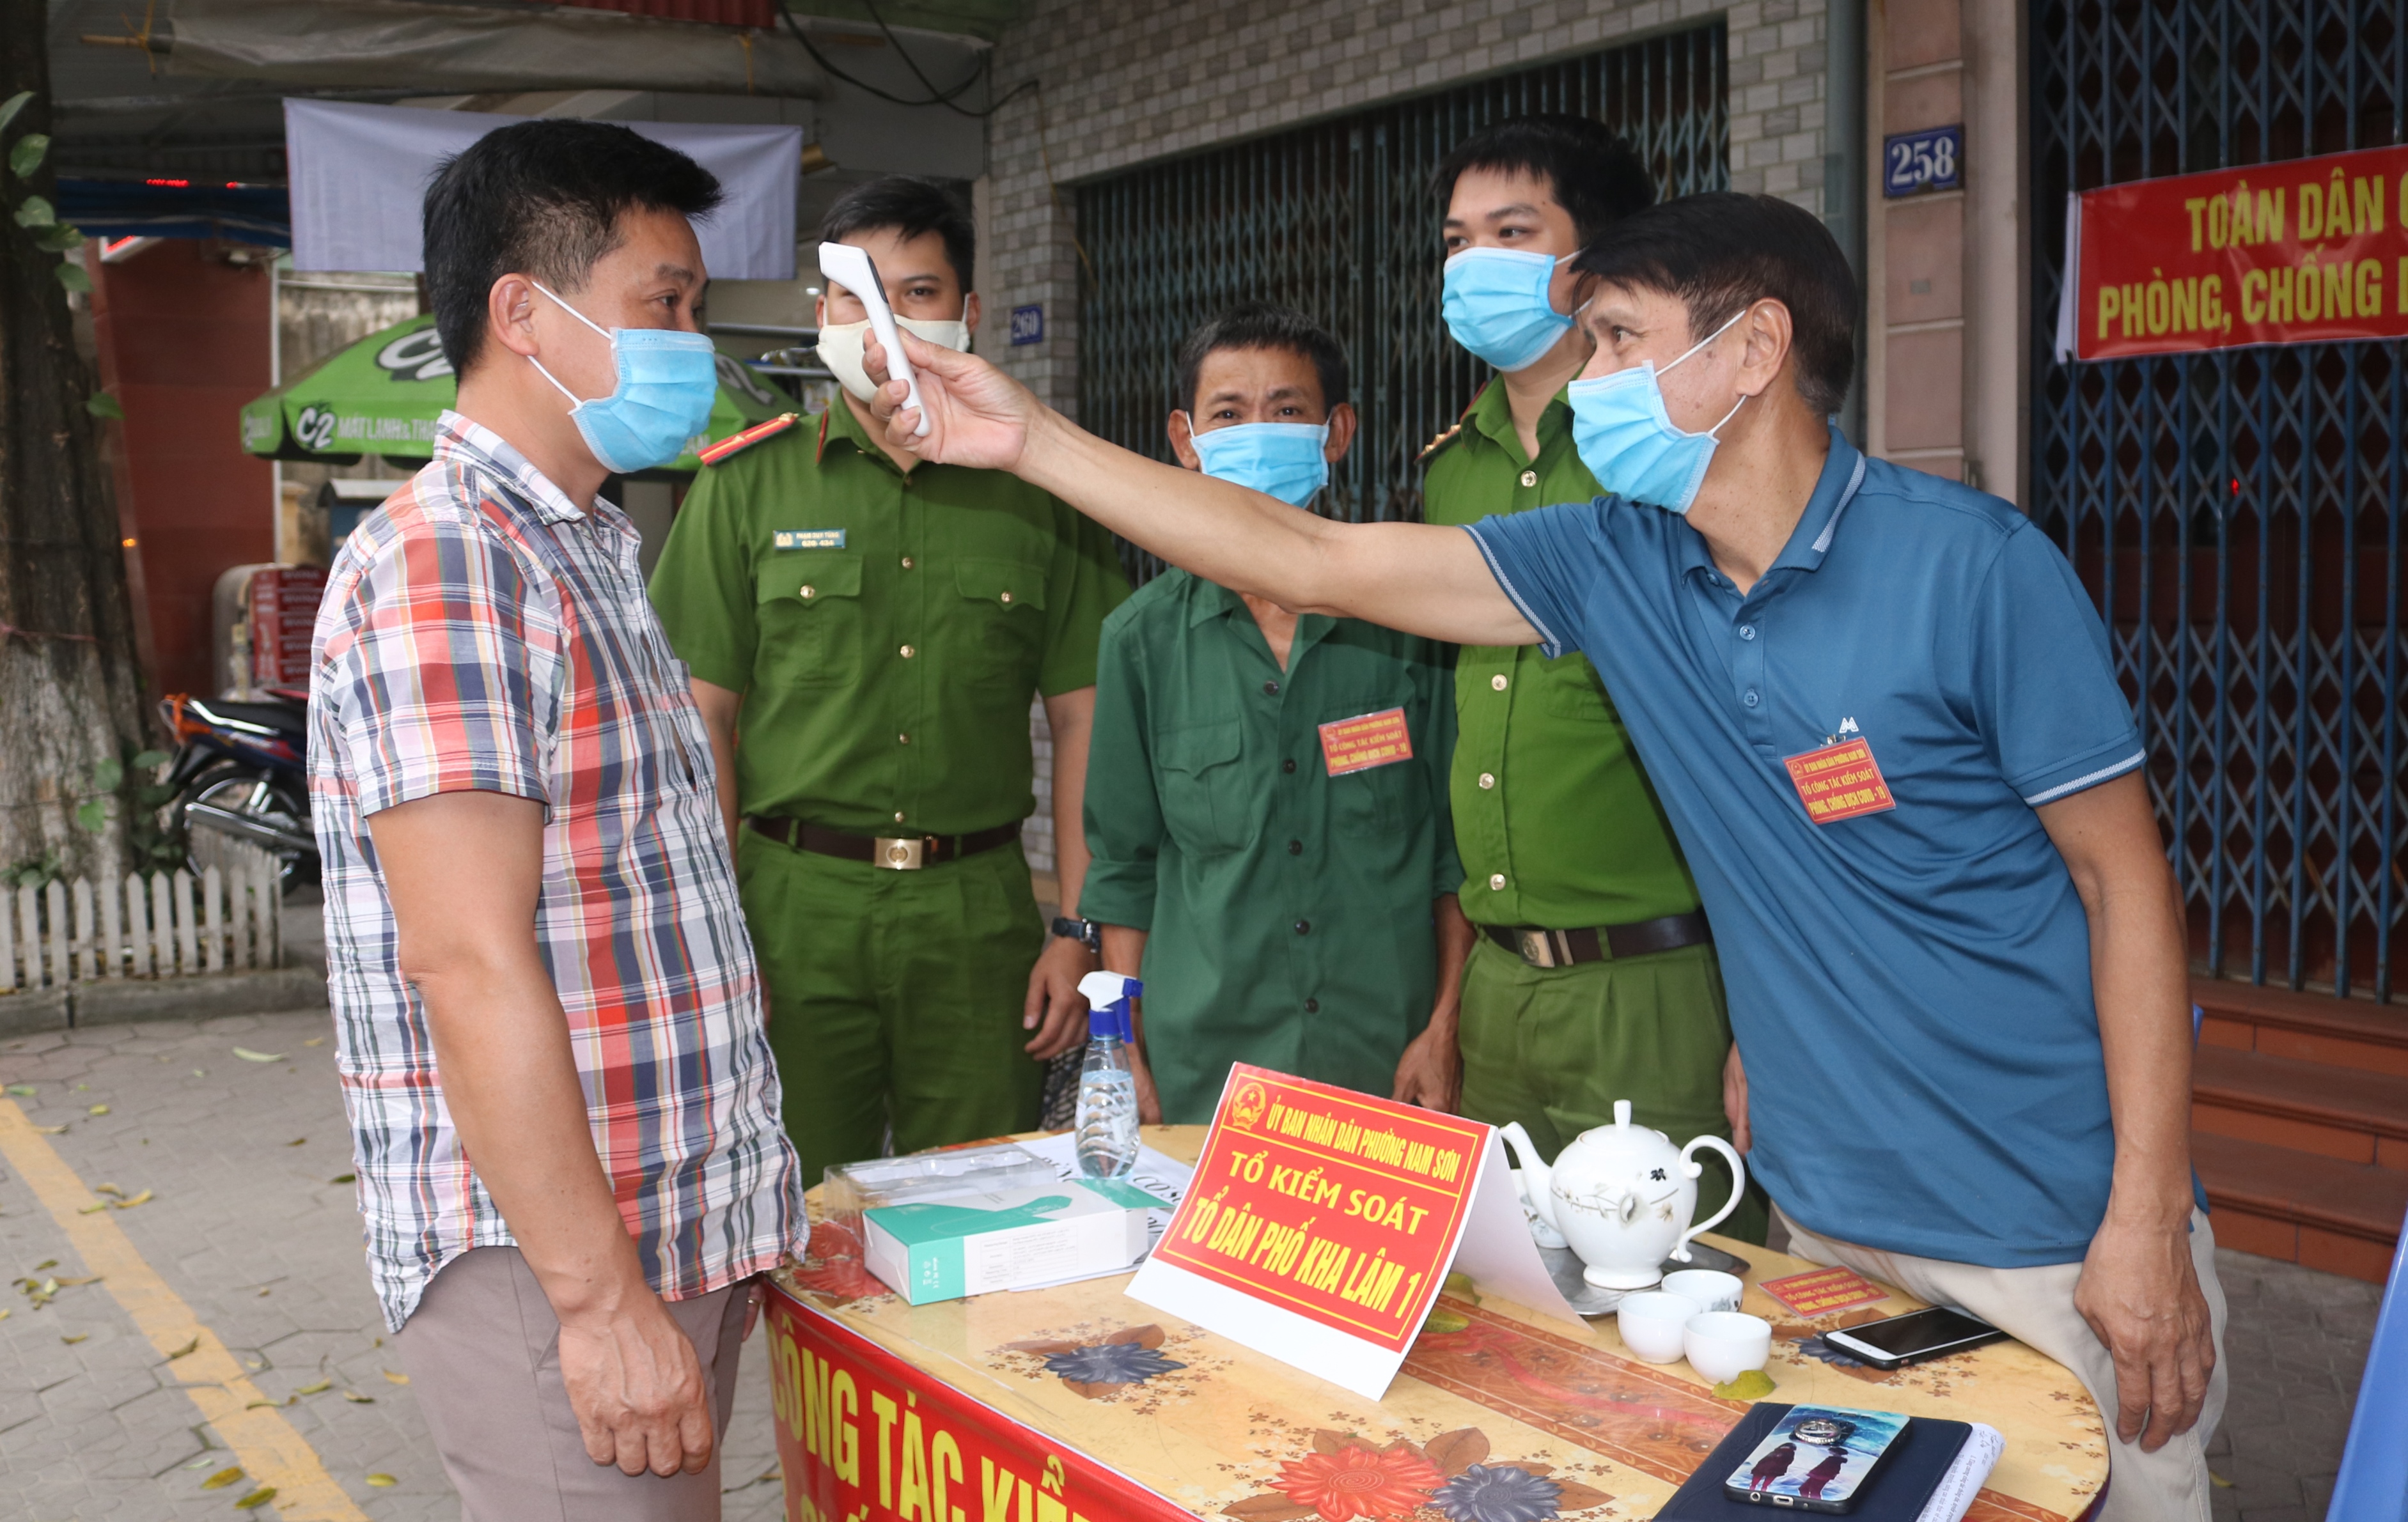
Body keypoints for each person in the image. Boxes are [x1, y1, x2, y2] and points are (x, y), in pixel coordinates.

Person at [860, 190, 2225, 1522]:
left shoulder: (1975, 570)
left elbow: (2124, 887)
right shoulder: (1620, 562)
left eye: (1621, 341)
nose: (1587, 385)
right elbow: (1316, 555)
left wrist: (2144, 1223)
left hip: (2049, 1225)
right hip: (1818, 1228)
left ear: (1751, 350)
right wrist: (1031, 438)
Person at [308, 120, 799, 1518]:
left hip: (647, 1223)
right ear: (522, 312)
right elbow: (465, 957)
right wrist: (595, 1302)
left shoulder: (576, 544)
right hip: (558, 1261)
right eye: (664, 303)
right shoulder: (451, 559)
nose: (690, 342)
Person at [648, 176, 1129, 1183]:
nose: (881, 325)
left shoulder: (1042, 491)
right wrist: (721, 930)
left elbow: (1087, 722)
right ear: (819, 314)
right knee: (796, 1214)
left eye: (914, 293)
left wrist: (1077, 930)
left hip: (977, 915)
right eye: (852, 299)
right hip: (790, 910)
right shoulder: (746, 483)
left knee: (983, 1203)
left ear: (966, 315)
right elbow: (703, 724)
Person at [1423, 116, 1758, 1242]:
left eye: (1510, 233)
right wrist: (1451, 1002)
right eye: (1456, 240)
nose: (1474, 265)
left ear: (1593, 261)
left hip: (1653, 985)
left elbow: (1751, 744)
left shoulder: (1660, 453)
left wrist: (1758, 1018)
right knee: (1508, 1310)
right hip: (1502, 984)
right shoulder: (1449, 469)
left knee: (1664, 1307)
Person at [1078, 303, 1471, 1122]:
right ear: (1186, 441)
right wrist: (1130, 1050)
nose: (1259, 431)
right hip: (1207, 1064)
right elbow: (1123, 869)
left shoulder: (1411, 618)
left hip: (1384, 1053)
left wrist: (1444, 1023)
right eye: (1229, 412)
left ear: (1337, 432)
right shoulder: (1140, 640)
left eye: (1288, 410)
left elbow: (1452, 852)